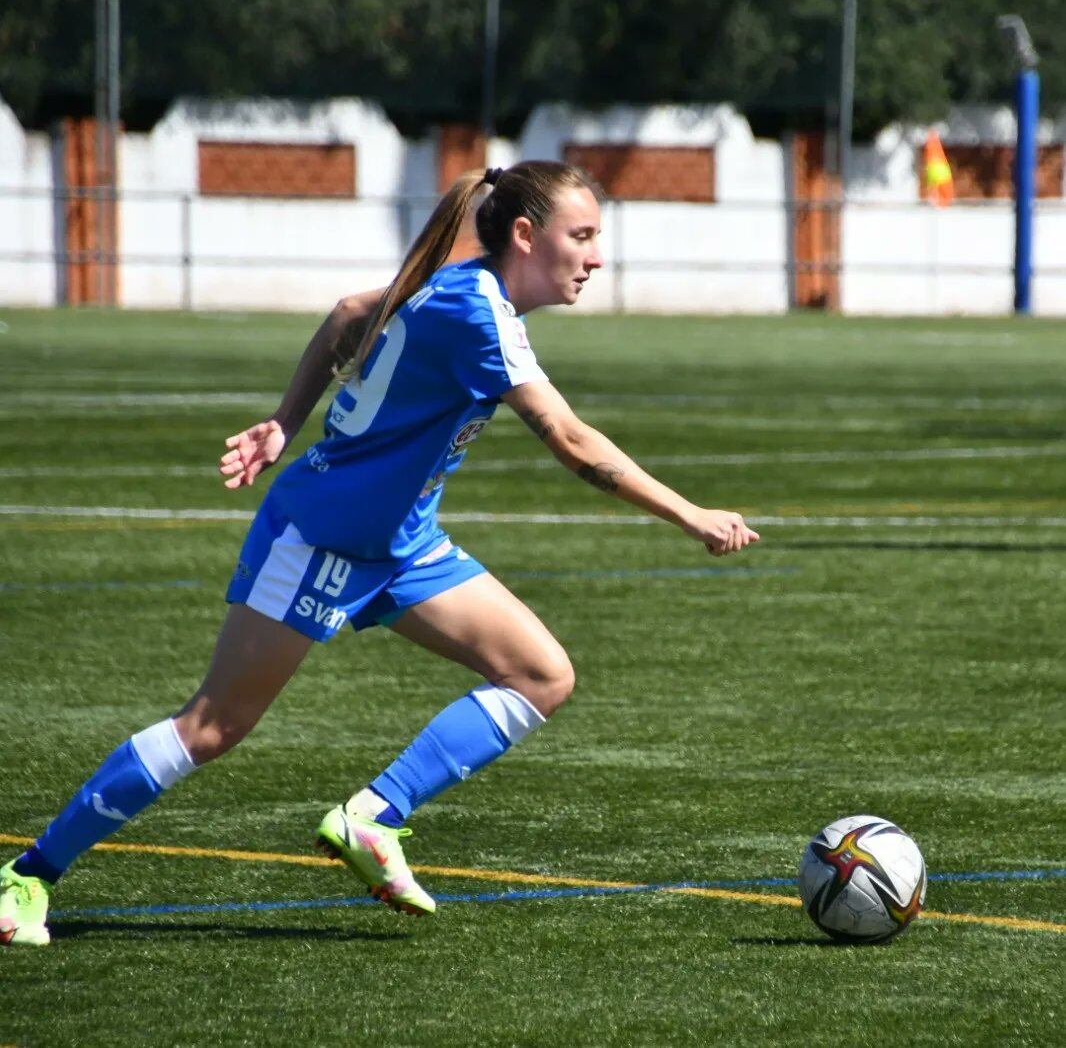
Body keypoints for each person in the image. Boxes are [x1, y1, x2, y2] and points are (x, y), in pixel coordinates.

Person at [0, 161, 758, 945]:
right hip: (322, 537)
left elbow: (347, 315)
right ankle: (26, 877)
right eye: (584, 236)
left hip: (401, 540)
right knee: (211, 727)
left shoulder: (459, 284)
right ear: (527, 235)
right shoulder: (478, 313)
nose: (597, 256)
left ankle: (372, 817)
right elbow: (569, 440)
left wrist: (282, 423)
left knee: (541, 675)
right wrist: (687, 512)